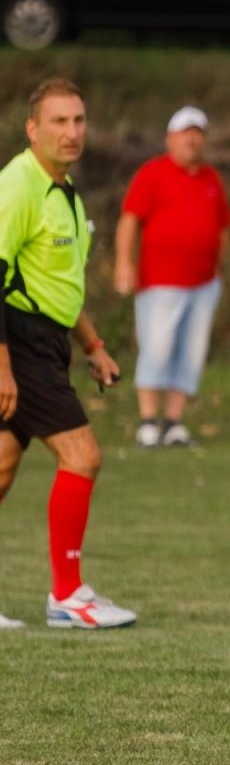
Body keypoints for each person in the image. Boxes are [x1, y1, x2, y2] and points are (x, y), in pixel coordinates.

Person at [0, 78, 136, 630]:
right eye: (58, 121)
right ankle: (67, 594)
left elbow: (63, 283)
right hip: (17, 340)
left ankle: (67, 593)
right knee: (82, 455)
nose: (71, 131)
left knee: (3, 466)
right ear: (32, 128)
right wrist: (3, 367)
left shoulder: (68, 191)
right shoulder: (18, 185)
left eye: (78, 120)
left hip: (47, 342)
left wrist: (93, 346)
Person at [114, 105, 230, 449]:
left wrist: (220, 264)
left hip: (204, 282)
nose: (192, 139)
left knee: (191, 351)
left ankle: (174, 422)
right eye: (185, 132)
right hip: (160, 280)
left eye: (197, 132)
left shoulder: (211, 177)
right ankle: (148, 422)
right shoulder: (153, 173)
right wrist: (124, 262)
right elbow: (129, 219)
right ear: (170, 138)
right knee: (158, 348)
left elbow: (222, 225)